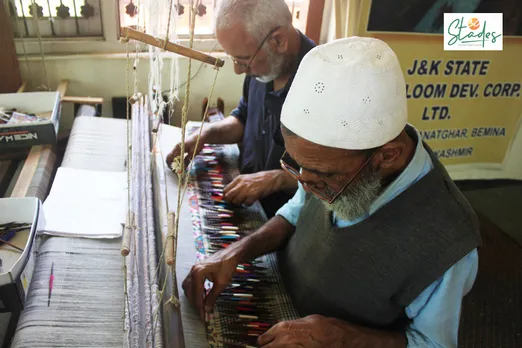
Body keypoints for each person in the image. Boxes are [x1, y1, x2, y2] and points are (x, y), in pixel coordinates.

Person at [182, 36, 482, 347]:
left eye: (323, 177)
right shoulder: (328, 162)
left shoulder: (449, 242)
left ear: (387, 155)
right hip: (276, 297)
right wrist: (237, 252)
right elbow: (296, 211)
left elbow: (434, 343)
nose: (306, 184)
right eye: (298, 166)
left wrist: (341, 336)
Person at [166, 0, 315, 218]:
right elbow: (243, 118)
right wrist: (205, 134)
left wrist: (276, 179)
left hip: (288, 222)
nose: (237, 70)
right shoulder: (265, 67)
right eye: (233, 59)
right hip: (250, 206)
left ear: (279, 41)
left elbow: (340, 174)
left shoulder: (323, 84)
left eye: (243, 60)